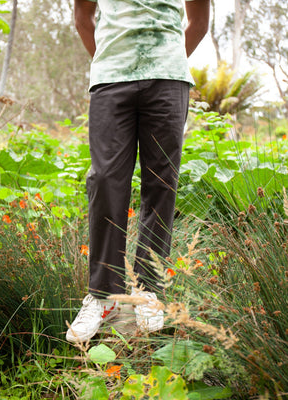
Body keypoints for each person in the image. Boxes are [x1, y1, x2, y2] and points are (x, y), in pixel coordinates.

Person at [66, 0, 210, 343]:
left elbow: (199, 21)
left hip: (168, 78)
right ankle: (103, 296)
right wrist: (112, 62)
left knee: (161, 181)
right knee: (104, 180)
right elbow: (83, 16)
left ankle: (149, 290)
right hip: (110, 79)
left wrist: (166, 58)